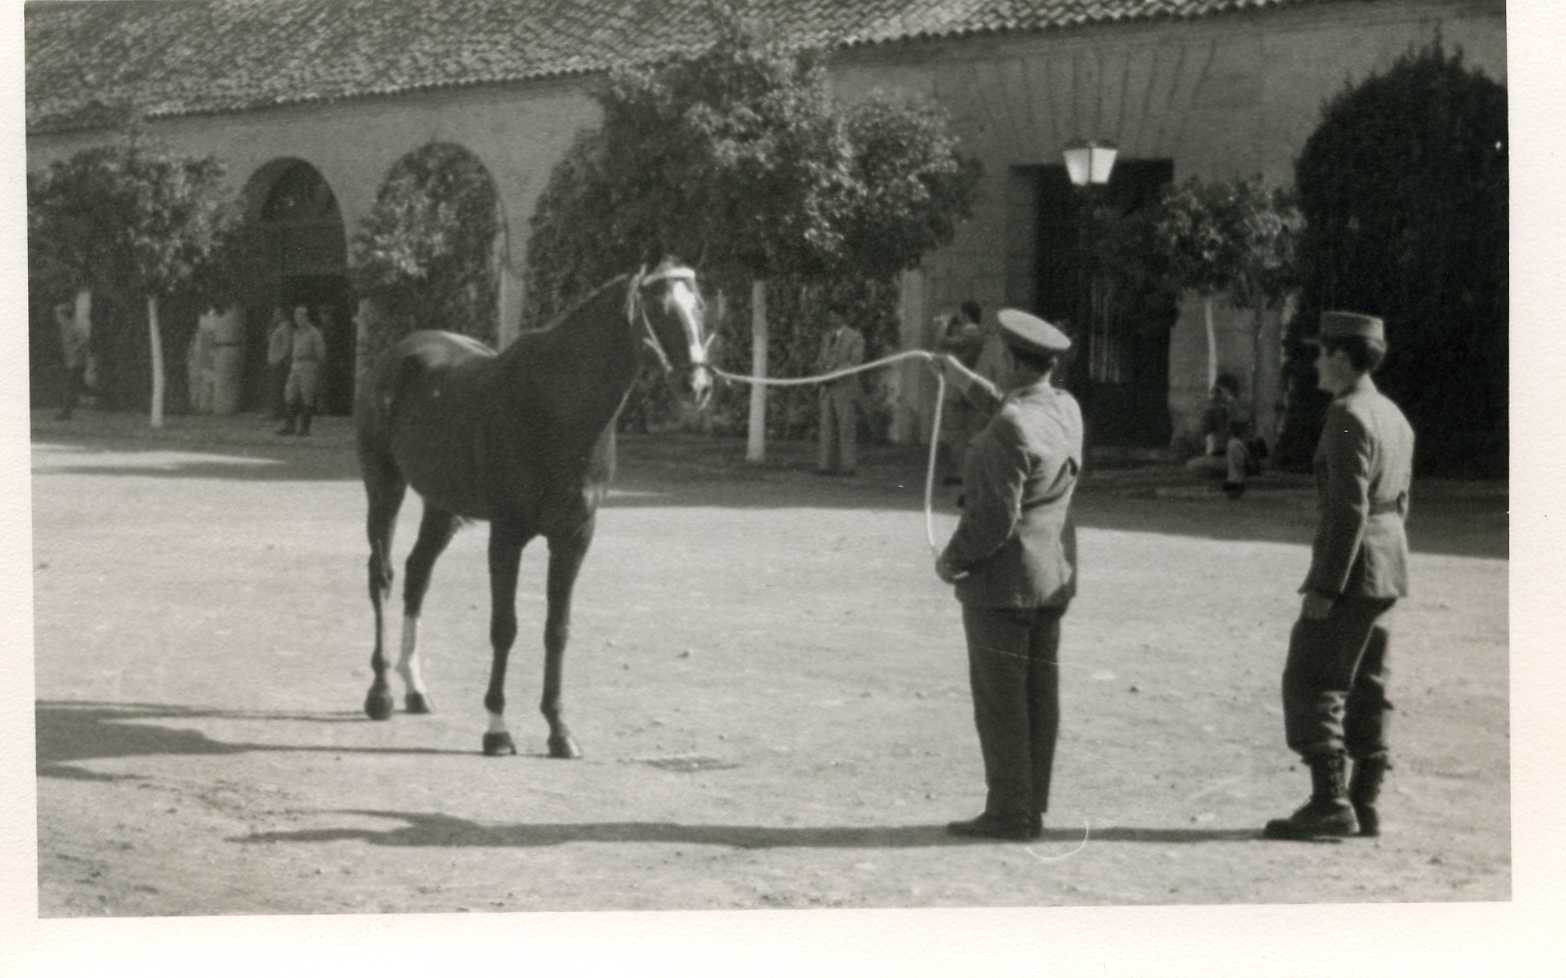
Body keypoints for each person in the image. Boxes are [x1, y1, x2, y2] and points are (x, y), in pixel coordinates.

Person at [1263, 310, 1414, 840]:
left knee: (1311, 676)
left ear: (1344, 358)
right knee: (1368, 681)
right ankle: (1365, 801)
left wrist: (1326, 586)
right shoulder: (1391, 413)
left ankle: (1329, 802)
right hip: (1387, 563)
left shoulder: (1347, 414)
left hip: (1353, 568)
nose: (1315, 363)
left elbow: (1348, 510)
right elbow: (1400, 502)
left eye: (1322, 353)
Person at [934, 308, 1083, 841]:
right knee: (1038, 697)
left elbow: (993, 518)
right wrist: (963, 381)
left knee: (1002, 704)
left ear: (1008, 358)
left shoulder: (1010, 427)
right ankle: (1029, 805)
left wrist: (952, 560)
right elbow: (1018, 415)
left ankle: (1008, 811)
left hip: (1002, 586)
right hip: (1050, 578)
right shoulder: (1065, 407)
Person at [935, 301, 986, 485]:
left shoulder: (970, 332)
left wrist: (944, 324)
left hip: (958, 387)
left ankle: (961, 472)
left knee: (954, 432)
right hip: (966, 385)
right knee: (964, 431)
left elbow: (942, 342)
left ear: (965, 315)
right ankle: (964, 471)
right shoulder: (976, 332)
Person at [815, 313, 865, 475]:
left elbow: (855, 362)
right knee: (826, 426)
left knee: (846, 427)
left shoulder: (855, 337)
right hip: (826, 388)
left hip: (844, 387)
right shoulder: (827, 336)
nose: (831, 319)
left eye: (834, 315)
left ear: (842, 317)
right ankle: (826, 465)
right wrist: (821, 374)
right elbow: (822, 359)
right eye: (829, 316)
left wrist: (835, 374)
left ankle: (848, 466)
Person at [277, 304, 326, 437]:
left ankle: (305, 428)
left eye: (300, 316)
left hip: (309, 364)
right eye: (296, 316)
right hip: (296, 364)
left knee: (307, 396)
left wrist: (317, 367)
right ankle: (289, 425)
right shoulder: (296, 333)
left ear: (306, 317)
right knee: (290, 394)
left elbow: (321, 353)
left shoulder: (314, 333)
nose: (298, 319)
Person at [54, 301, 90, 421]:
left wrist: (75, 351)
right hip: (70, 361)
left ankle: (65, 413)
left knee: (70, 386)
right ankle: (104, 397)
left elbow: (83, 340)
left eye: (59, 315)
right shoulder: (64, 328)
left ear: (65, 315)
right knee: (78, 386)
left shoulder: (74, 326)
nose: (57, 318)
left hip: (77, 361)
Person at [265, 306, 293, 421]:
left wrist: (280, 359)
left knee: (279, 388)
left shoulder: (285, 327)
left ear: (282, 314)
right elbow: (269, 339)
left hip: (279, 362)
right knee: (274, 387)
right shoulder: (277, 327)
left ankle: (278, 412)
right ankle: (275, 411)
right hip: (273, 360)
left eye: (277, 313)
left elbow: (287, 346)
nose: (275, 316)